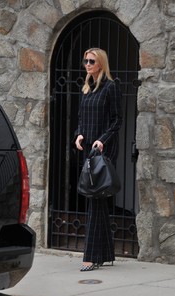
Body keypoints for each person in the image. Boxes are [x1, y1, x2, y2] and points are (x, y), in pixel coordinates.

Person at [75, 48, 123, 271]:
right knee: (97, 199)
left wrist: (102, 140)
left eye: (91, 61)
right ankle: (105, 254)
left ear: (101, 64)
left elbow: (116, 120)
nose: (87, 64)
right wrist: (79, 134)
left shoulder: (111, 87)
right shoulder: (87, 88)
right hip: (88, 149)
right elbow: (81, 118)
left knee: (94, 199)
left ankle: (90, 256)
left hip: (103, 151)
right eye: (85, 60)